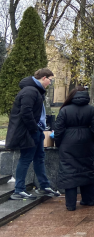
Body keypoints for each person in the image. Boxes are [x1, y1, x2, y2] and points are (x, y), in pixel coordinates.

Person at [6, 68, 61, 200]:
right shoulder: (30, 91)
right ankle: (19, 190)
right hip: (30, 132)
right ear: (44, 78)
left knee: (39, 158)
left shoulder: (35, 91)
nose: (50, 83)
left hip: (36, 131)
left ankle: (44, 186)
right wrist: (34, 129)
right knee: (26, 159)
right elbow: (26, 112)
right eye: (50, 80)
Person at [53, 86, 94, 211]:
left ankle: (71, 204)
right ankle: (89, 200)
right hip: (86, 141)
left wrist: (59, 143)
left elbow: (58, 130)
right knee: (87, 169)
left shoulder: (65, 110)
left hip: (68, 142)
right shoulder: (92, 109)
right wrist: (91, 139)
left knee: (69, 172)